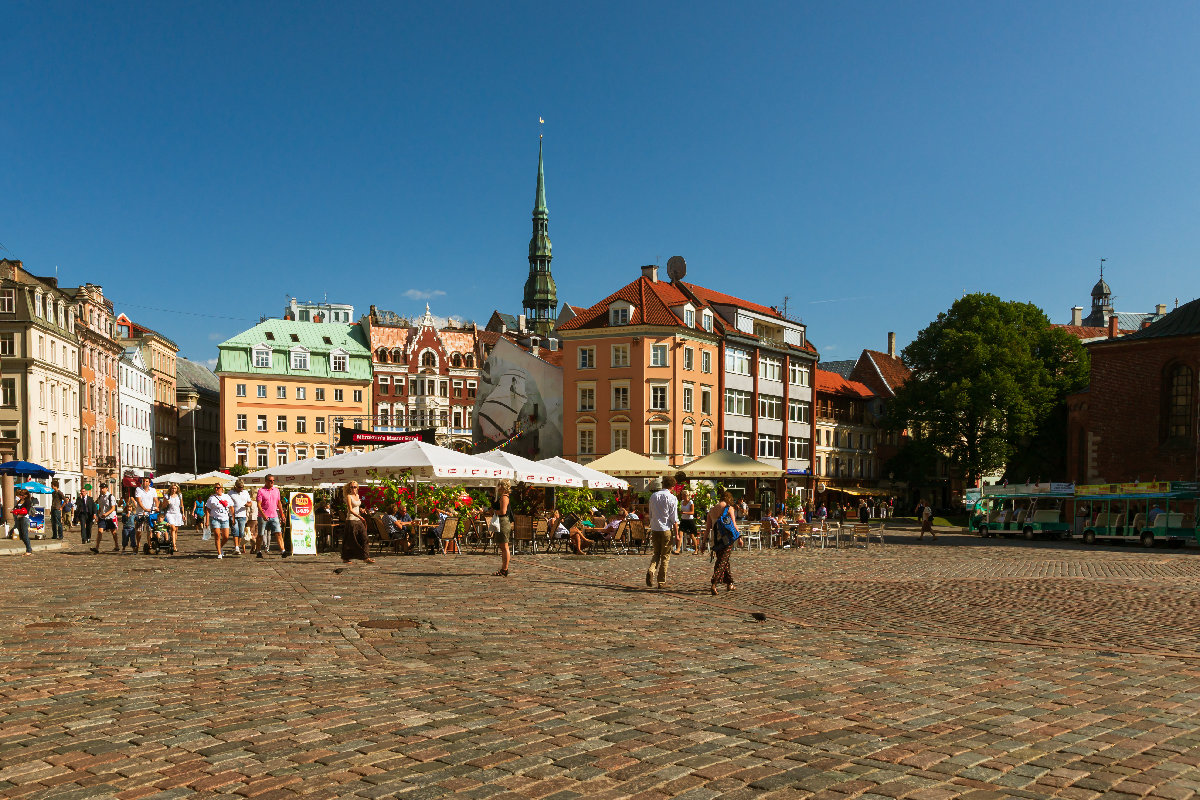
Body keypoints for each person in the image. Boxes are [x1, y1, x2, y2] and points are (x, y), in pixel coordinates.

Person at [644, 475, 680, 589]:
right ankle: (661, 581)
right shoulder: (672, 498)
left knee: (656, 553)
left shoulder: (653, 496)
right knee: (665, 556)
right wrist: (677, 534)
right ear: (672, 487)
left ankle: (651, 570)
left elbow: (650, 514)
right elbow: (674, 518)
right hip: (666, 529)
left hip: (655, 528)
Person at [708, 490, 738, 594]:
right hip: (726, 539)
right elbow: (733, 524)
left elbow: (708, 528)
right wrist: (740, 537)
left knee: (725, 560)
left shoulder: (711, 510)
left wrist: (703, 543)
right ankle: (714, 583)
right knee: (722, 561)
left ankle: (730, 583)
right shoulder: (729, 508)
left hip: (715, 540)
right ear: (729, 499)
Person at [339, 480, 373, 564]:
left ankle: (366, 557)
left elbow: (357, 507)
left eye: (354, 487)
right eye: (351, 487)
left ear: (357, 487)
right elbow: (350, 510)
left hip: (358, 519)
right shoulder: (348, 496)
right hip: (351, 520)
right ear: (349, 488)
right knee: (350, 540)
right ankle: (345, 558)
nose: (353, 488)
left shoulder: (357, 495)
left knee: (364, 537)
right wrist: (360, 516)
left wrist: (361, 511)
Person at [256, 475, 288, 558]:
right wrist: (263, 515)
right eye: (270, 480)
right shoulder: (261, 491)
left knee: (278, 533)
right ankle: (258, 550)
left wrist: (282, 514)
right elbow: (259, 504)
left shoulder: (276, 490)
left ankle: (283, 550)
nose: (272, 482)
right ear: (266, 481)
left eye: (273, 480)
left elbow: (279, 503)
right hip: (263, 516)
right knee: (260, 534)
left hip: (274, 515)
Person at [204, 483, 232, 558]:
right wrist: (207, 521)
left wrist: (233, 518)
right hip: (215, 518)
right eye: (215, 488)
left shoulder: (226, 496)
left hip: (225, 519)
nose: (216, 489)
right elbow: (207, 510)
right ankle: (219, 553)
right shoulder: (211, 498)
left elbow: (231, 507)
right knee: (217, 535)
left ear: (222, 488)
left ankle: (220, 547)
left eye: (218, 488)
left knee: (226, 537)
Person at [492, 480, 512, 576]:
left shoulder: (504, 497)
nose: (498, 488)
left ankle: (505, 569)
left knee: (504, 547)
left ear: (503, 487)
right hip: (503, 522)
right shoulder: (504, 497)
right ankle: (504, 568)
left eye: (499, 486)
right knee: (503, 546)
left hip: (503, 522)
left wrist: (495, 511)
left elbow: (503, 511)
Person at [133, 476, 157, 551]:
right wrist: (144, 509)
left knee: (149, 530)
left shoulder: (153, 490)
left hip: (150, 513)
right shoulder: (138, 489)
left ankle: (149, 544)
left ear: (149, 483)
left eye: (146, 481)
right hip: (141, 513)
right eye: (143, 481)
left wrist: (157, 507)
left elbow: (156, 500)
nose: (145, 483)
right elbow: (139, 501)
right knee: (139, 530)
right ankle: (138, 544)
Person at [227, 479, 251, 555]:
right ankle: (236, 547)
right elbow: (227, 503)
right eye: (240, 487)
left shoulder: (245, 492)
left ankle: (238, 546)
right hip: (233, 515)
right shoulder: (230, 493)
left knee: (241, 532)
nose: (241, 488)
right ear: (236, 486)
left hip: (242, 515)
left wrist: (248, 505)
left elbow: (250, 502)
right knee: (235, 531)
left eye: (242, 487)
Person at [92, 485, 118, 552]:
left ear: (106, 488)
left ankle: (116, 545)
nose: (101, 489)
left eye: (103, 488)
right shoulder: (100, 497)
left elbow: (113, 508)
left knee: (113, 532)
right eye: (101, 488)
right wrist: (98, 515)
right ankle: (97, 547)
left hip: (110, 517)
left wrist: (106, 514)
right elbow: (100, 507)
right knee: (100, 531)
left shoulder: (111, 497)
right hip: (102, 517)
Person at [162, 483, 184, 554]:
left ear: (177, 489)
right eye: (172, 488)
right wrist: (167, 503)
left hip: (177, 514)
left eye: (175, 488)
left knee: (176, 530)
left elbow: (181, 505)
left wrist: (183, 514)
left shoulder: (179, 496)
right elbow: (163, 506)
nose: (173, 490)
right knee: (173, 528)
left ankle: (173, 542)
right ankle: (174, 546)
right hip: (169, 513)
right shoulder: (167, 496)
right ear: (170, 489)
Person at [12, 487, 34, 555]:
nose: (21, 496)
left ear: (26, 495)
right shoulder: (19, 501)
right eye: (20, 495)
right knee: (21, 535)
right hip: (18, 518)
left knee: (25, 534)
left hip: (24, 518)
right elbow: (16, 507)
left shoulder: (28, 501)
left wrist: (20, 512)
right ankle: (29, 548)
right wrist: (14, 510)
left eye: (22, 495)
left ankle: (29, 550)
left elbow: (26, 511)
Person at [679, 488, 698, 554]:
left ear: (687, 495)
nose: (682, 496)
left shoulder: (690, 502)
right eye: (682, 495)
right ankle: (678, 549)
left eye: (684, 495)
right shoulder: (681, 502)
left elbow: (692, 512)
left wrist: (684, 512)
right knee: (680, 534)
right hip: (683, 519)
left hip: (689, 520)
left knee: (692, 536)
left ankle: (696, 549)